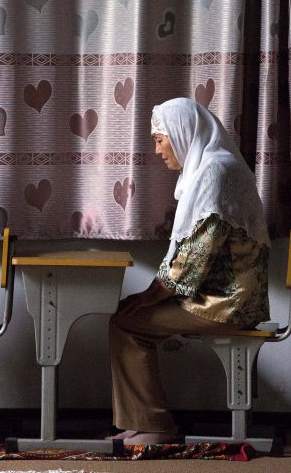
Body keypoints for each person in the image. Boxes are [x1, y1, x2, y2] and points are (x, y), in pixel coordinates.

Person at [108, 97, 271, 445]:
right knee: (127, 312)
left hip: (226, 304)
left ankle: (154, 426)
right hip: (225, 298)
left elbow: (197, 255)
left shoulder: (216, 172)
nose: (157, 150)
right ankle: (142, 421)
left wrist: (153, 294)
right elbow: (192, 252)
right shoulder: (214, 166)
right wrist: (153, 292)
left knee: (126, 321)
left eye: (159, 139)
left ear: (183, 134)